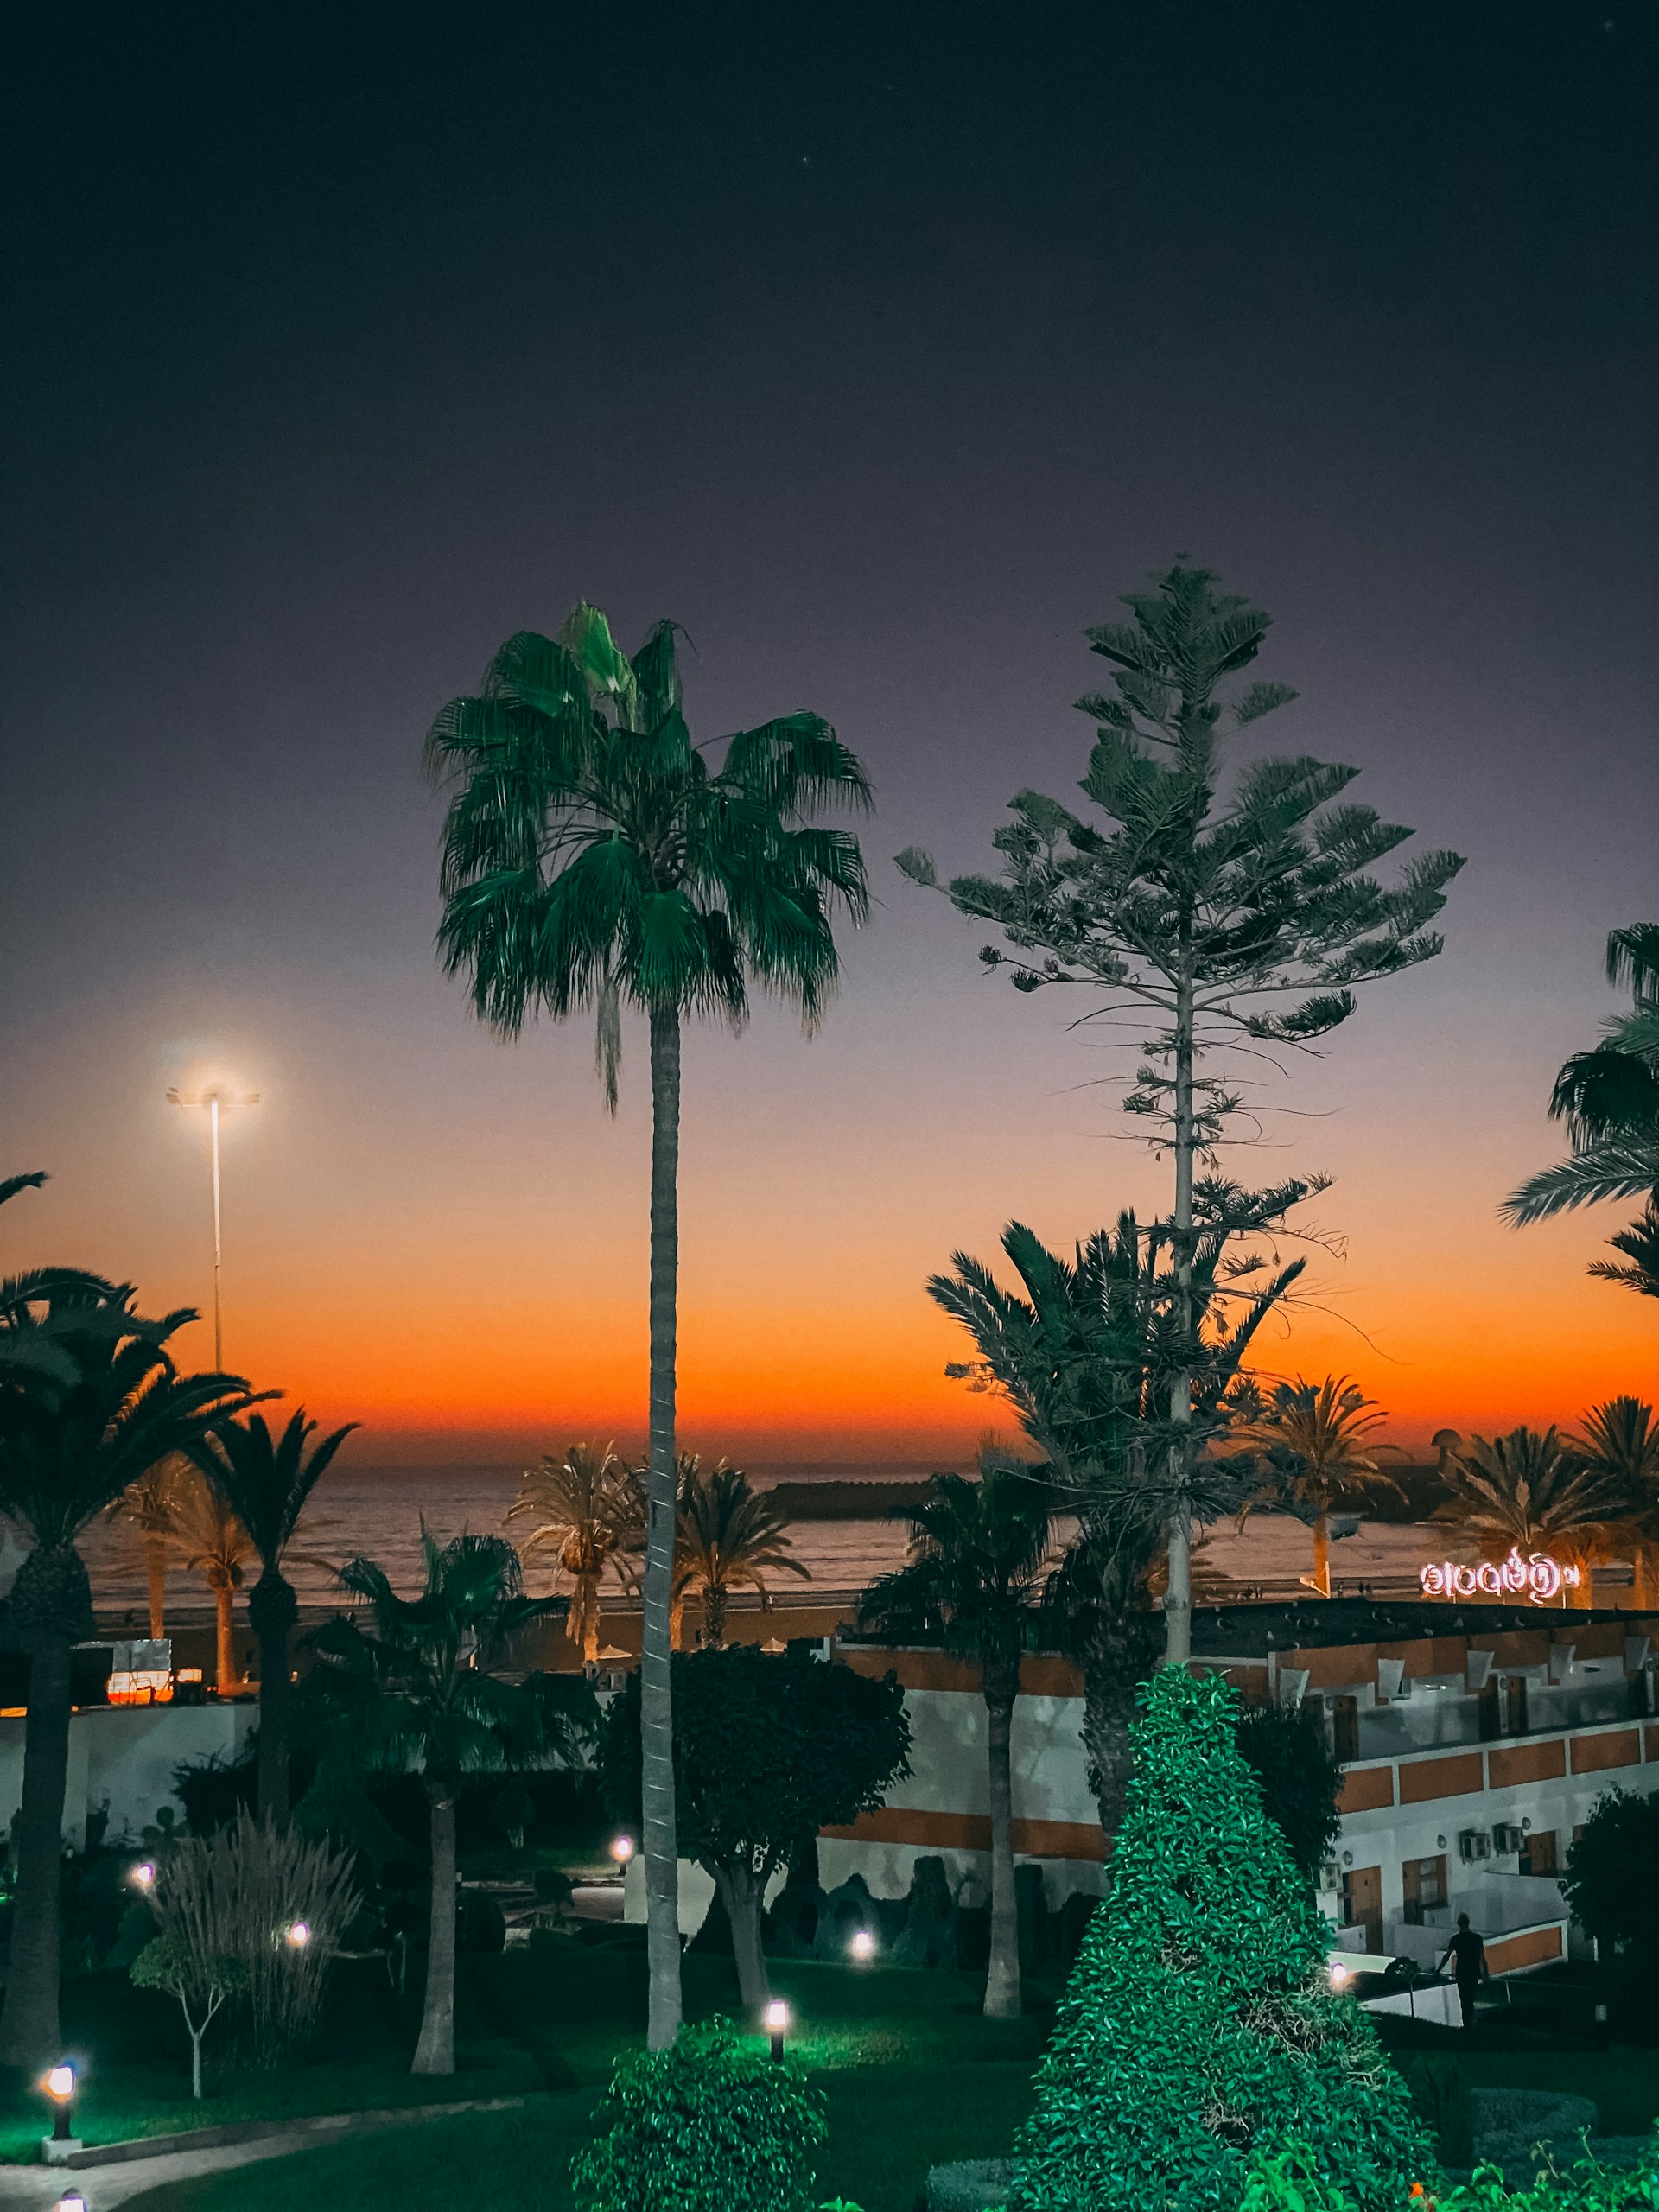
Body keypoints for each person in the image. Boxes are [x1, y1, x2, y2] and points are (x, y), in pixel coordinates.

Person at [1439, 1912, 1490, 2027]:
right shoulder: (1476, 1938)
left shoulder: (1456, 1939)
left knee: (1463, 1998)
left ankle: (1466, 2023)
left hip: (1462, 1971)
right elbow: (1482, 1957)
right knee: (1470, 1998)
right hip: (1473, 1971)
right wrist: (1485, 1973)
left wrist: (1439, 1969)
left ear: (1459, 1924)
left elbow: (1447, 1955)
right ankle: (1469, 2023)